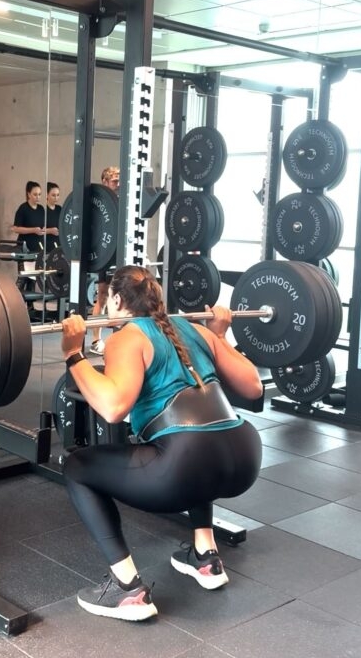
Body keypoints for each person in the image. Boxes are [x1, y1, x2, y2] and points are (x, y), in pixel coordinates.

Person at [60, 264, 263, 622]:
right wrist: (219, 336)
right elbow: (253, 387)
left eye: (107, 300)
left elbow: (112, 407)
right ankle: (205, 555)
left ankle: (126, 589)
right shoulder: (194, 329)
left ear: (118, 299)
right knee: (195, 447)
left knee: (77, 467)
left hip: (185, 464)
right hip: (244, 455)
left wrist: (73, 354)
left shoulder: (127, 336)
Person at [89, 166, 120, 356]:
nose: (118, 185)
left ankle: (118, 340)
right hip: (103, 253)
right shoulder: (99, 202)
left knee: (121, 295)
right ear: (105, 182)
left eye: (119, 181)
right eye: (115, 181)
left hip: (119, 251)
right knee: (102, 296)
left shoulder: (122, 201)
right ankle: (95, 340)